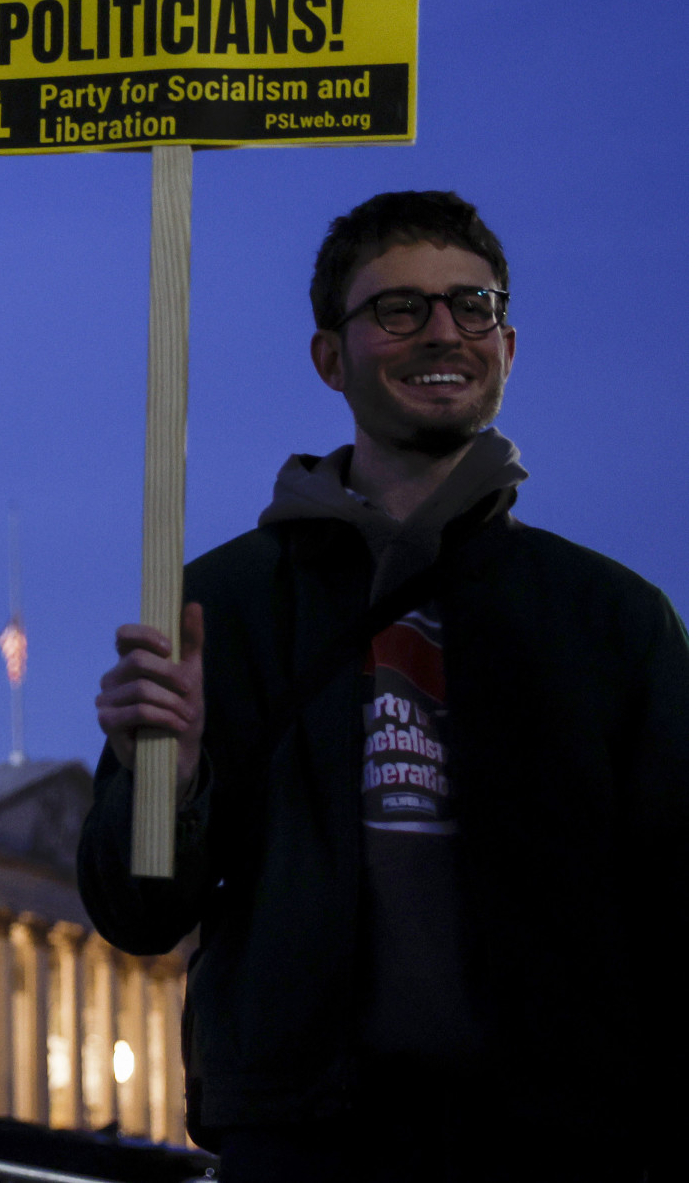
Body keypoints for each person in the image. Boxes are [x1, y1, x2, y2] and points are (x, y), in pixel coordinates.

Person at [78, 191, 689, 1181]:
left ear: (508, 342)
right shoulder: (219, 603)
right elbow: (138, 909)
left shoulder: (611, 619)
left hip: (559, 1133)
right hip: (303, 1134)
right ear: (331, 357)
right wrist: (175, 778)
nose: (443, 331)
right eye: (399, 309)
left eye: (472, 305)